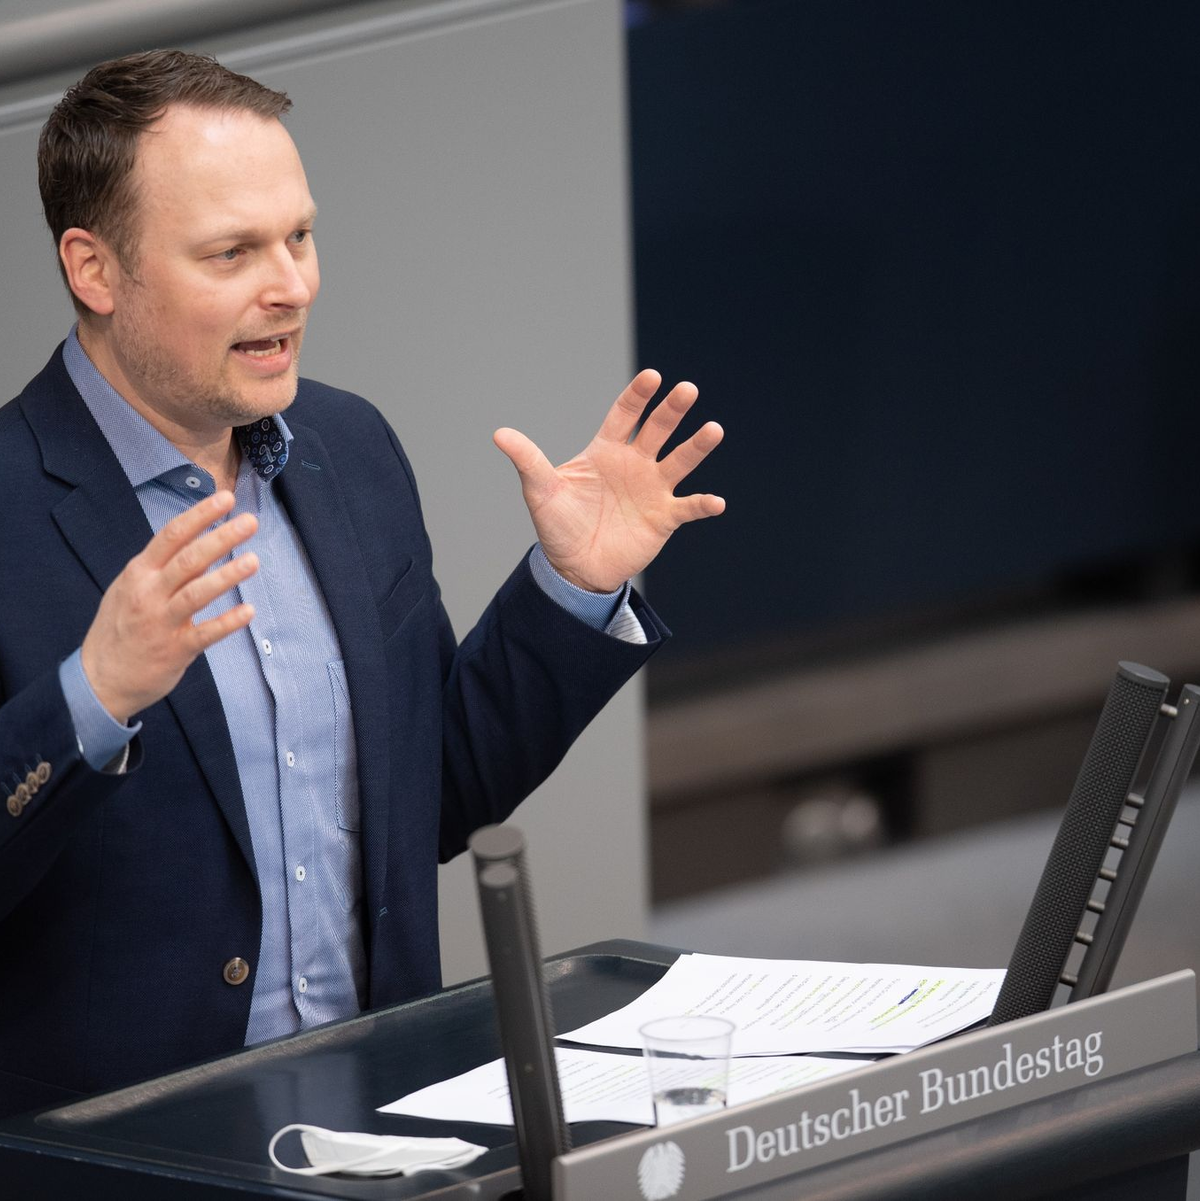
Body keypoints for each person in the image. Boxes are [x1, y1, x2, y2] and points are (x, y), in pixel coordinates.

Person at [0, 49, 723, 1113]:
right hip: (125, 1159)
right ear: (94, 269)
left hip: (380, 1129)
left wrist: (570, 590)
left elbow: (430, 796)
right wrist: (92, 698)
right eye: (231, 252)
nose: (292, 283)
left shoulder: (349, 448)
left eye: (299, 235)